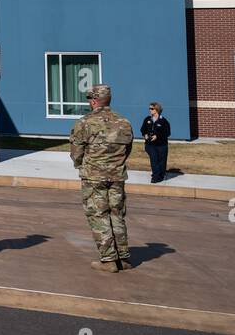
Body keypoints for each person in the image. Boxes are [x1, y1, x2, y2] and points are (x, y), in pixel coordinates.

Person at [69, 84, 135, 273]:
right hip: (117, 176)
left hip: (93, 177)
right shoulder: (124, 122)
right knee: (117, 214)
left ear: (94, 101)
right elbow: (127, 150)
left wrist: (82, 165)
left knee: (99, 215)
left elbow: (76, 152)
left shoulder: (85, 122)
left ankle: (108, 260)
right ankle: (123, 257)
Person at [140, 102, 171, 184]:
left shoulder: (163, 121)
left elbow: (167, 133)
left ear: (157, 109)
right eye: (149, 108)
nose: (150, 110)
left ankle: (161, 175)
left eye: (152, 108)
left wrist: (157, 136)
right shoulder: (147, 119)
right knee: (154, 159)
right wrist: (145, 135)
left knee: (162, 161)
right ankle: (155, 177)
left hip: (162, 145)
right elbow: (142, 129)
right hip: (150, 145)